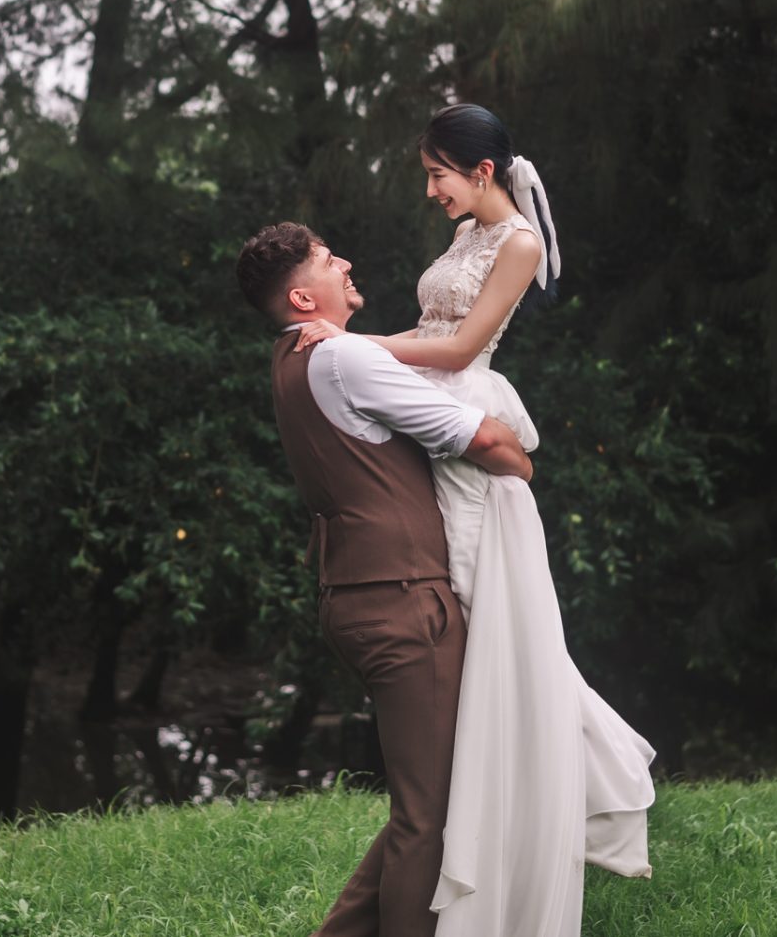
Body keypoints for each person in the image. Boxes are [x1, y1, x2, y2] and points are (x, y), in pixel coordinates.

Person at [291, 102, 656, 937]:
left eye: (438, 174)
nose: (431, 190)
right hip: (426, 401)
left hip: (459, 400)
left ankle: (536, 771)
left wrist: (350, 345)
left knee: (473, 593)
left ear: (481, 171)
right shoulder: (465, 235)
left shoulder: (518, 243)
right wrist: (358, 348)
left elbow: (458, 348)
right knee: (455, 596)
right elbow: (431, 329)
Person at [235, 221, 535, 937]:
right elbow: (482, 437)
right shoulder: (342, 359)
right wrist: (521, 461)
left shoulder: (294, 358)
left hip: (362, 596)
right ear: (303, 296)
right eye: (327, 259)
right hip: (402, 602)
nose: (345, 262)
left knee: (425, 806)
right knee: (431, 816)